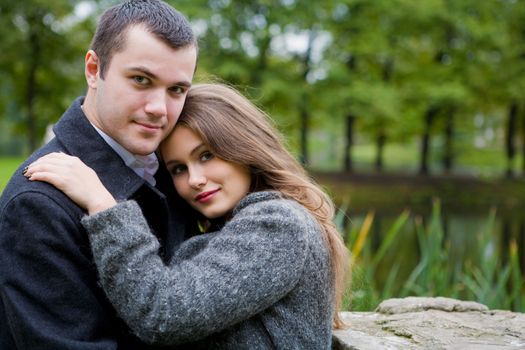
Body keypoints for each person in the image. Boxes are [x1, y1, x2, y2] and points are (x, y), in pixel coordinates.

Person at [24, 83, 350, 349]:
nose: (194, 179)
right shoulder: (245, 223)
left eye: (206, 155)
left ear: (245, 149)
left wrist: (103, 205)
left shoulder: (278, 223)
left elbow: (162, 313)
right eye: (178, 168)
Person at [0, 0, 198, 348]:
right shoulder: (37, 203)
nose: (158, 108)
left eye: (176, 90)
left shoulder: (179, 173)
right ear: (94, 69)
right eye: (140, 79)